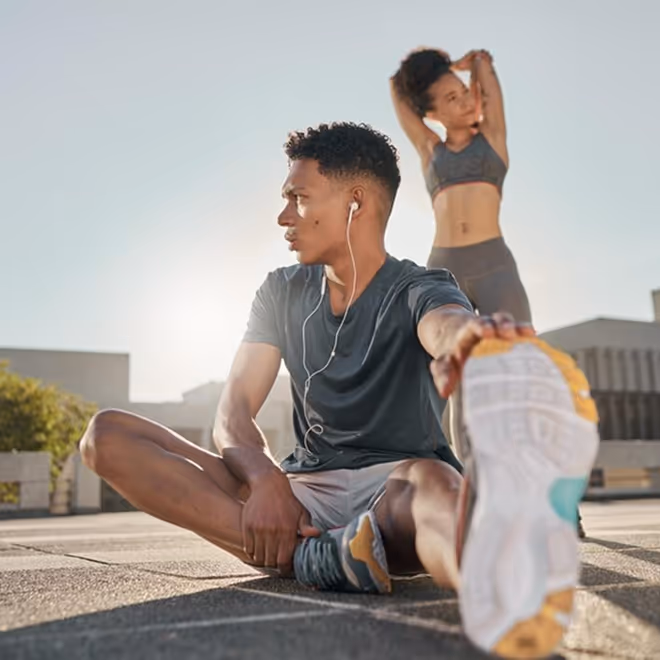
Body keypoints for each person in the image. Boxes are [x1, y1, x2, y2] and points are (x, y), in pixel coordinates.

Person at [79, 122, 599, 659]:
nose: (284, 216)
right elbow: (232, 411)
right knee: (108, 436)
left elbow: (445, 325)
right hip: (302, 492)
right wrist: (266, 482)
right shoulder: (280, 291)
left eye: (298, 199)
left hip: (397, 487)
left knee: (435, 486)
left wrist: (475, 344)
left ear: (356, 202)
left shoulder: (421, 285)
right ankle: (320, 555)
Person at [390, 47, 587, 538]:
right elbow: (397, 91)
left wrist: (475, 68)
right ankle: (474, 497)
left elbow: (490, 90)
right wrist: (436, 69)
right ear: (430, 114)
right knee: (462, 386)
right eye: (448, 100)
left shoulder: (493, 140)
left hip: (496, 268)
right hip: (445, 272)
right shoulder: (430, 150)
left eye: (465, 96)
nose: (463, 104)